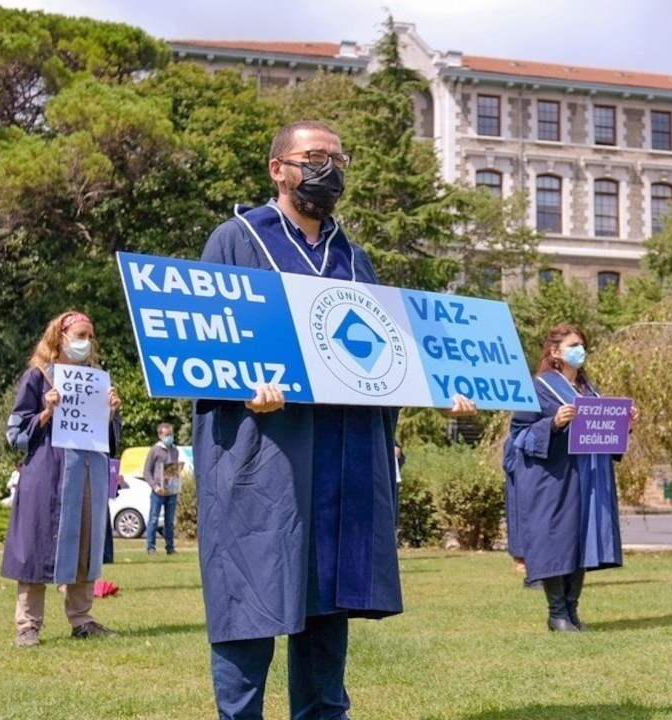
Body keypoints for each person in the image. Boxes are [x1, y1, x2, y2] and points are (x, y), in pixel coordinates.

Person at [194, 119, 475, 720]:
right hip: (263, 453)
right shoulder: (236, 239)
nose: (327, 169)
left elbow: (385, 358)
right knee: (252, 592)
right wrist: (242, 390)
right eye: (313, 156)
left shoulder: (354, 258)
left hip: (339, 460)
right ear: (279, 168)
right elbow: (207, 341)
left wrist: (442, 387)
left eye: (337, 158)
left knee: (324, 604)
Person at [1, 310, 122, 648]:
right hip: (47, 474)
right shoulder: (37, 378)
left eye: (90, 336)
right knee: (36, 545)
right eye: (81, 335)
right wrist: (46, 412)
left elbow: (110, 441)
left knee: (86, 543)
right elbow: (14, 435)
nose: (86, 342)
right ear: (60, 337)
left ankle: (82, 619)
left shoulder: (96, 379)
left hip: (87, 473)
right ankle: (28, 625)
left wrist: (111, 414)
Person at [506, 323, 638, 632]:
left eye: (582, 344)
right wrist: (553, 422)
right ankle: (556, 614)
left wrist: (626, 424)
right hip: (552, 477)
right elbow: (518, 434)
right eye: (573, 345)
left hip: (587, 477)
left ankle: (572, 612)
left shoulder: (589, 389)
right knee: (556, 541)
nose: (580, 350)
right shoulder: (538, 387)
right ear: (554, 352)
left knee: (579, 542)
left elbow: (603, 434)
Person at [144, 422, 180, 556]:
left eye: (171, 434)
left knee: (169, 521)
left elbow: (174, 468)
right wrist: (155, 486)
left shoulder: (175, 450)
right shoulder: (155, 450)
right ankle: (151, 547)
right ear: (160, 435)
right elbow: (147, 471)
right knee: (153, 519)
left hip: (171, 489)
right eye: (167, 435)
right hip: (158, 491)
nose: (170, 437)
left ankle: (170, 547)